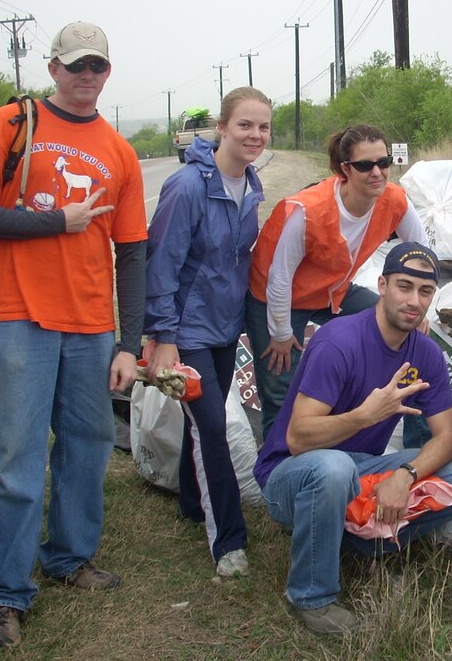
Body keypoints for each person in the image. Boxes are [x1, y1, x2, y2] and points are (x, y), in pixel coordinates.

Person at [0, 21, 148, 649]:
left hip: (91, 324)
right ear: (54, 68)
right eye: (75, 65)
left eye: (97, 66)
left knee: (88, 447)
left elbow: (133, 252)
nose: (86, 76)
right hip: (15, 314)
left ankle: (68, 557)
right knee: (16, 454)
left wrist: (129, 342)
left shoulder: (119, 152)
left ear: (107, 73)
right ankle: (8, 594)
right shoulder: (12, 124)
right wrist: (53, 222)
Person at [253, 242, 452, 636]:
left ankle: (364, 541)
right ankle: (312, 596)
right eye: (404, 287)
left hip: (359, 474)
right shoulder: (338, 342)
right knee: (333, 466)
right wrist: (364, 416)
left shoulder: (424, 353)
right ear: (381, 284)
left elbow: (448, 439)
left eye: (425, 292)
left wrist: (405, 474)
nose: (414, 301)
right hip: (291, 478)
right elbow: (297, 437)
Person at [143, 86, 271, 578]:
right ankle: (229, 542)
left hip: (224, 326)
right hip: (187, 329)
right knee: (213, 429)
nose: (254, 135)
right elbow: (162, 265)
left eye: (263, 127)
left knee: (205, 421)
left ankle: (193, 504)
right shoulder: (189, 187)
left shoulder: (251, 185)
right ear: (221, 128)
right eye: (244, 125)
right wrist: (164, 335)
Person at [245, 124, 428, 443]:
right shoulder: (308, 210)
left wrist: (420, 309)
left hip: (332, 292)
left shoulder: (394, 199)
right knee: (282, 390)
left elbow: (423, 254)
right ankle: (276, 473)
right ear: (345, 168)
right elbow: (279, 278)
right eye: (364, 165)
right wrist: (281, 333)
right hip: (277, 298)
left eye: (383, 163)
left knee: (403, 331)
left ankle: (416, 451)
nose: (377, 173)